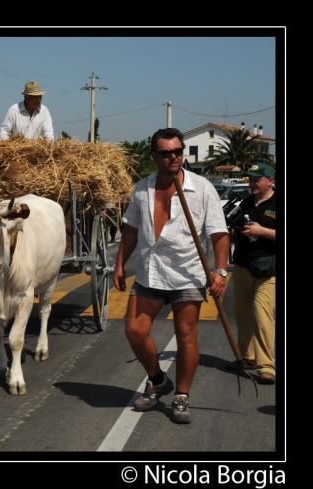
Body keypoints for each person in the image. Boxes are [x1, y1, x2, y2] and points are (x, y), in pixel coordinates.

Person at [113, 128, 229, 424]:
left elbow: (219, 233)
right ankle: (157, 379)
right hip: (150, 270)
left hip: (189, 273)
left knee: (186, 336)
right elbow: (131, 230)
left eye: (178, 151)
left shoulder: (201, 188)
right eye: (166, 153)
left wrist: (220, 271)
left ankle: (181, 396)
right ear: (154, 155)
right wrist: (119, 264)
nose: (173, 157)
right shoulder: (142, 188)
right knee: (135, 330)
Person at [226, 162, 276, 384]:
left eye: (257, 179)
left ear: (270, 181)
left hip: (270, 270)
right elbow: (232, 229)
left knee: (261, 312)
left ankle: (267, 366)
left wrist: (261, 231)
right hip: (242, 266)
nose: (252, 182)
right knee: (243, 314)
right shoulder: (244, 203)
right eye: (250, 178)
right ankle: (247, 357)